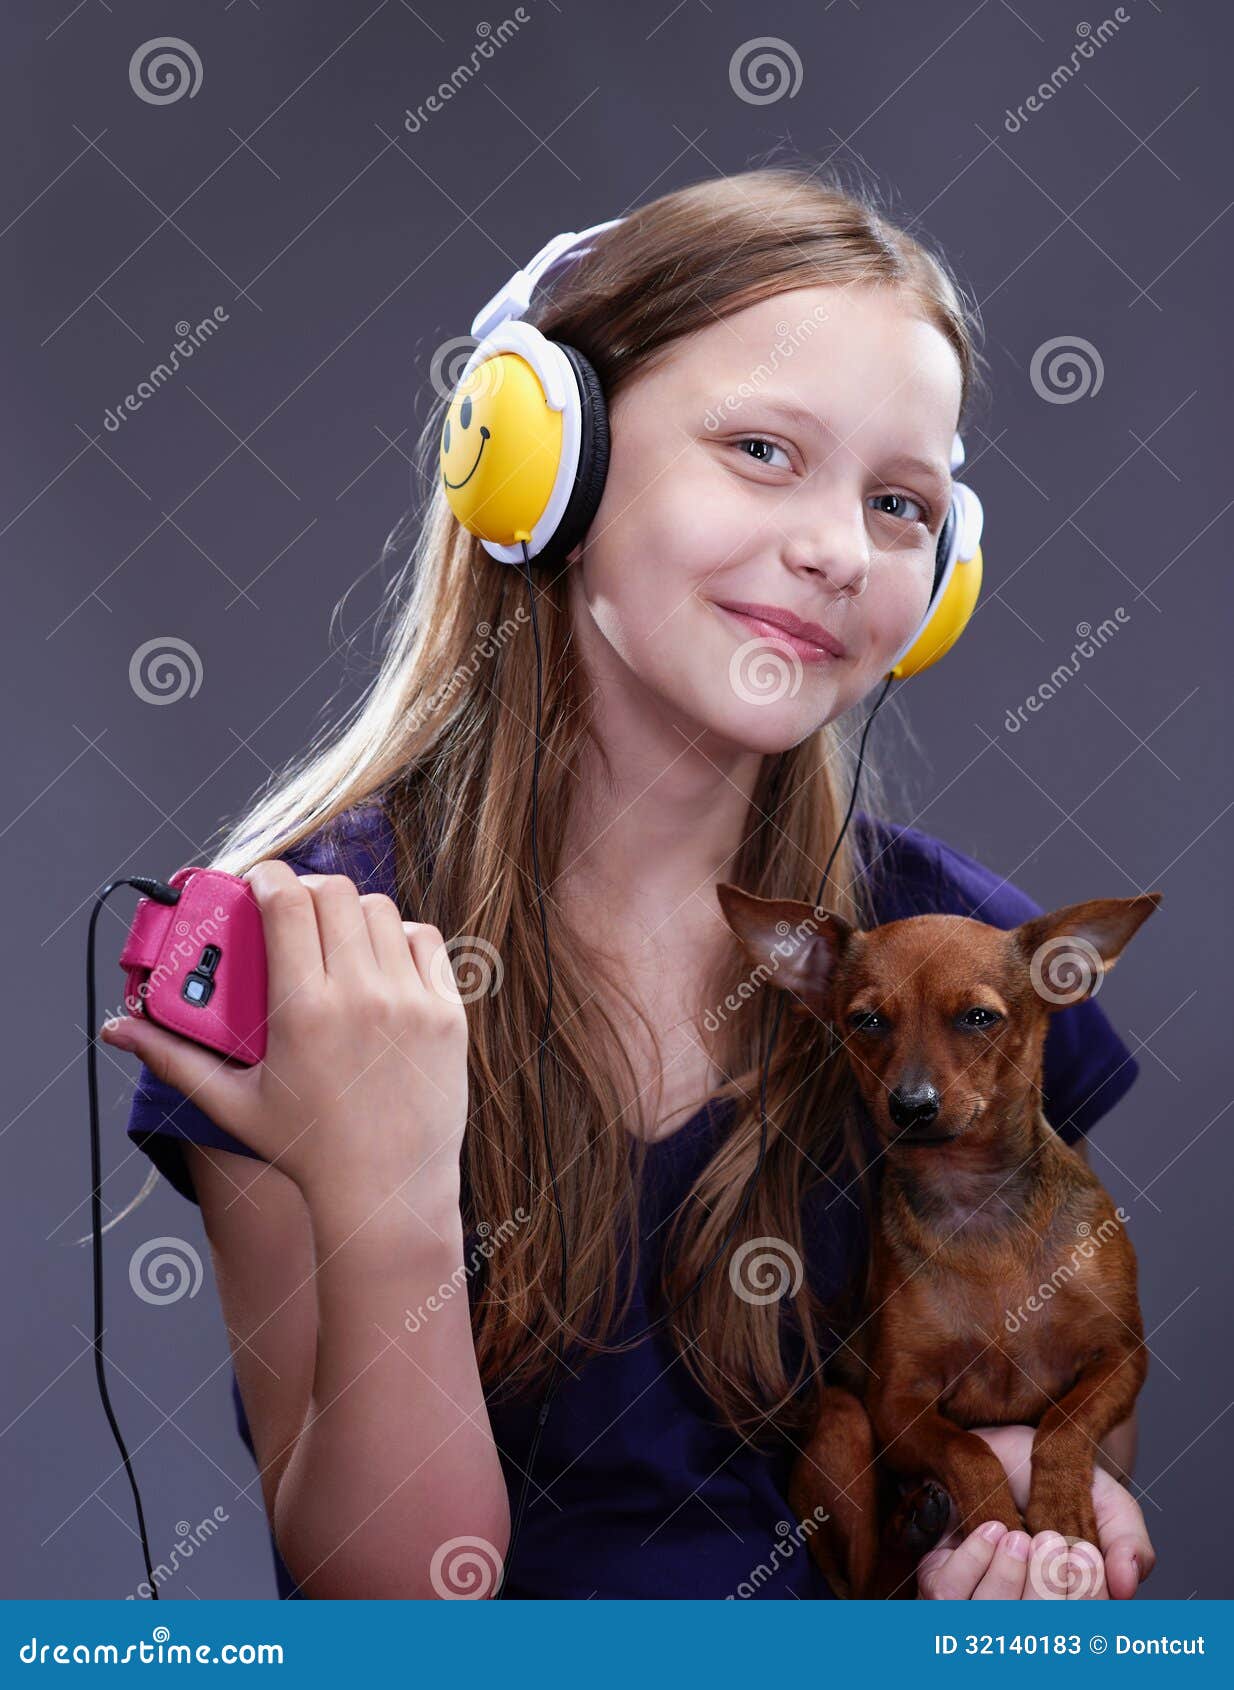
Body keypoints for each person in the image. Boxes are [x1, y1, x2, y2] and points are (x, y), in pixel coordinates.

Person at [103, 166, 1155, 1600]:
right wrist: (392, 1182)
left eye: (901, 503)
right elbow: (395, 1605)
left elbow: (1035, 1401)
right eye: (764, 452)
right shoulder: (310, 948)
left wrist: (1019, 1525)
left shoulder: (943, 954)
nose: (839, 548)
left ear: (945, 572)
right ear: (543, 461)